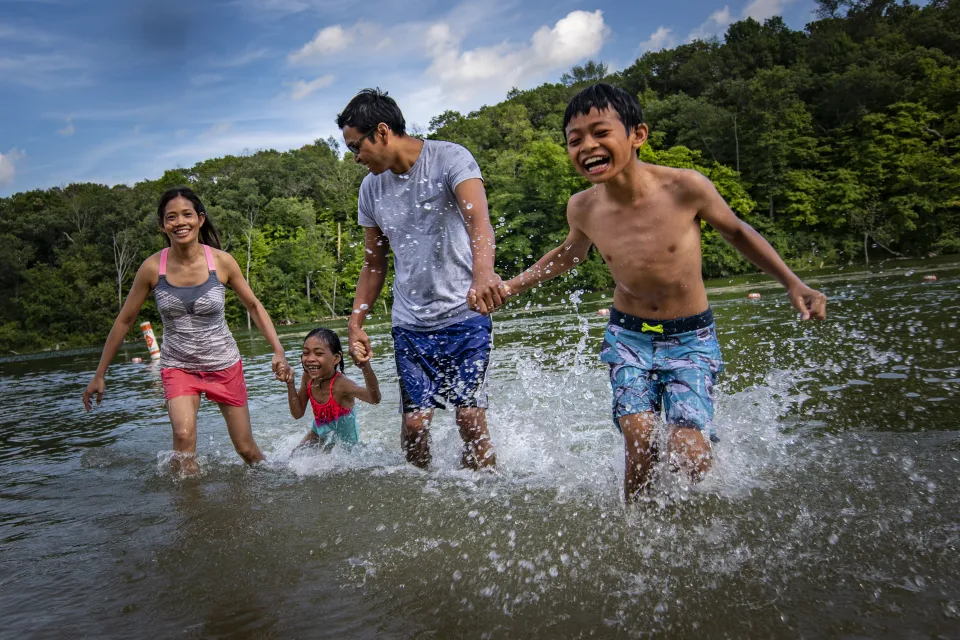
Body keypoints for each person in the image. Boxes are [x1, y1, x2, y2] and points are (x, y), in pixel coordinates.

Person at [494, 83, 828, 502]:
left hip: (692, 338)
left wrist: (793, 282)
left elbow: (739, 233)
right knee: (640, 444)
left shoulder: (685, 188)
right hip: (629, 335)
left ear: (637, 135)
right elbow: (568, 254)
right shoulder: (582, 206)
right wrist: (512, 285)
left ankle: (696, 512)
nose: (587, 146)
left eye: (600, 133)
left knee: (688, 454)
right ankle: (635, 531)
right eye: (574, 140)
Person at [337, 88, 503, 470]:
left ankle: (487, 494)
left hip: (466, 313)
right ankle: (420, 500)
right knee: (414, 425)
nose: (355, 157)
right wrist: (355, 322)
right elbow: (374, 265)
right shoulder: (370, 189)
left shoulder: (450, 158)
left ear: (381, 131)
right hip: (411, 324)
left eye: (355, 147)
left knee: (469, 418)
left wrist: (483, 275)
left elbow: (479, 221)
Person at [82, 186, 289, 475]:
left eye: (187, 215)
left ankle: (279, 481)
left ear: (200, 219)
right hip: (179, 366)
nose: (180, 222)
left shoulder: (222, 262)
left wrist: (277, 350)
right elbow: (125, 320)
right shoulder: (152, 268)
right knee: (183, 437)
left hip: (223, 364)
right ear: (162, 224)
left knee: (246, 449)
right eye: (171, 217)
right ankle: (192, 515)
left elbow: (253, 306)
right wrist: (99, 374)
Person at [283, 327, 381, 449]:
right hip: (317, 433)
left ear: (336, 358)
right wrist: (290, 384)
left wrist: (365, 366)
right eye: (306, 352)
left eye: (319, 353)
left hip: (345, 446)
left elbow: (374, 399)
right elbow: (297, 414)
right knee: (292, 458)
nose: (310, 359)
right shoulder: (308, 377)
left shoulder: (342, 385)